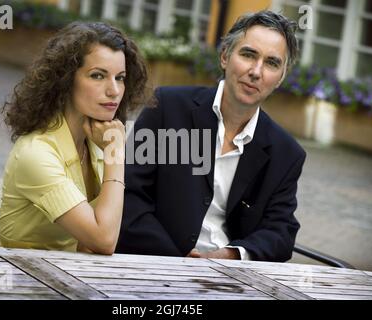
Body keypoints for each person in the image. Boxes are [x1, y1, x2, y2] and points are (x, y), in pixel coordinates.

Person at [116, 11, 306, 262]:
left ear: (280, 77)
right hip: (154, 262)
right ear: (225, 56)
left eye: (272, 63)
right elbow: (129, 196)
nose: (256, 71)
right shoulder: (168, 108)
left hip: (231, 278)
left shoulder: (286, 153)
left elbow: (281, 232)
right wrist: (180, 259)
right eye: (248, 54)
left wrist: (232, 254)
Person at [0, 22, 149, 254]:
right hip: (22, 278)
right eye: (98, 76)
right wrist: (116, 156)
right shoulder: (36, 154)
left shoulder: (95, 142)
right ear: (66, 80)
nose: (114, 90)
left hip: (71, 277)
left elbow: (89, 244)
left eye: (120, 77)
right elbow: (104, 240)